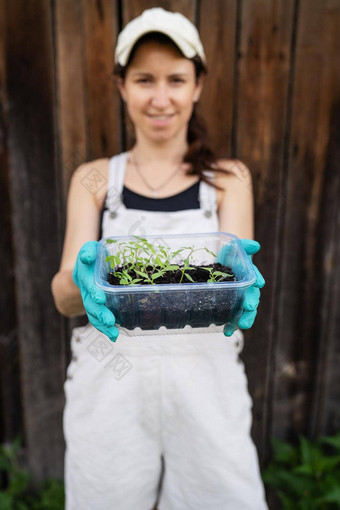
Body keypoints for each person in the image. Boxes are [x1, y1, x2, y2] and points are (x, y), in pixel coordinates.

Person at [51, 7, 267, 510]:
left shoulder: (229, 179)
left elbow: (233, 283)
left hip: (207, 386)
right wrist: (81, 284)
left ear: (197, 86)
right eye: (145, 80)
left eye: (176, 79)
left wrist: (244, 285)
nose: (161, 97)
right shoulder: (95, 180)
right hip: (111, 388)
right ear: (122, 87)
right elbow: (64, 292)